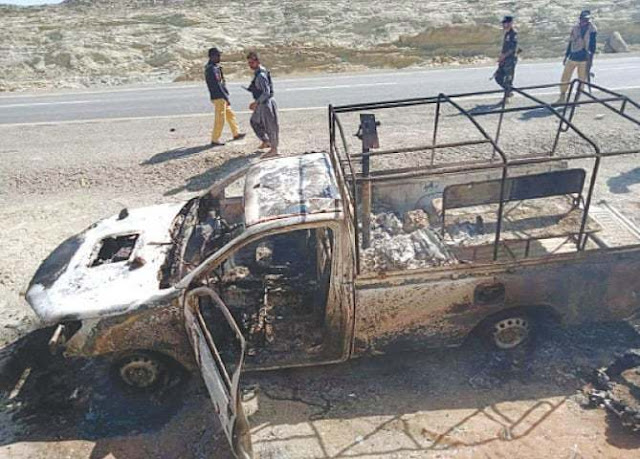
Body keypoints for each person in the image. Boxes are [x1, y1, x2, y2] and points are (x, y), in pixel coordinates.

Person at [205, 47, 245, 147]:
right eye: (217, 56)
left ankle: (236, 133)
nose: (219, 57)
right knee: (220, 119)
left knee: (230, 115)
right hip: (218, 96)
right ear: (212, 56)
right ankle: (215, 139)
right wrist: (225, 97)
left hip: (221, 95)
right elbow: (217, 85)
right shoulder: (211, 69)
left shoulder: (214, 67)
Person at [555, 10, 597, 104]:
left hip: (584, 59)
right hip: (573, 56)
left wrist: (590, 61)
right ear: (580, 19)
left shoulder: (592, 29)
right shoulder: (575, 28)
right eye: (583, 20)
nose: (585, 22)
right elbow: (570, 43)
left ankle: (576, 99)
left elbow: (593, 46)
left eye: (586, 20)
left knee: (582, 80)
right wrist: (566, 56)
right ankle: (562, 97)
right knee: (565, 78)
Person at [246, 51, 279, 156]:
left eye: (252, 62)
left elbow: (266, 92)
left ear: (257, 61)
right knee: (254, 121)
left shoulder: (261, 75)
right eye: (249, 63)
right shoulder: (258, 73)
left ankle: (274, 149)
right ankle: (266, 141)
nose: (250, 65)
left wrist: (256, 103)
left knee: (270, 126)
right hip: (261, 103)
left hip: (265, 103)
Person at [495, 15, 519, 101]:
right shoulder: (507, 34)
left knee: (508, 79)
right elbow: (504, 47)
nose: (505, 25)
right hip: (505, 59)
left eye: (507, 23)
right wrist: (501, 57)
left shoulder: (513, 34)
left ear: (511, 23)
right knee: (498, 77)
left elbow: (512, 49)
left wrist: (503, 56)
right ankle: (509, 92)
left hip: (510, 59)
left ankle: (506, 98)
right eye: (504, 23)